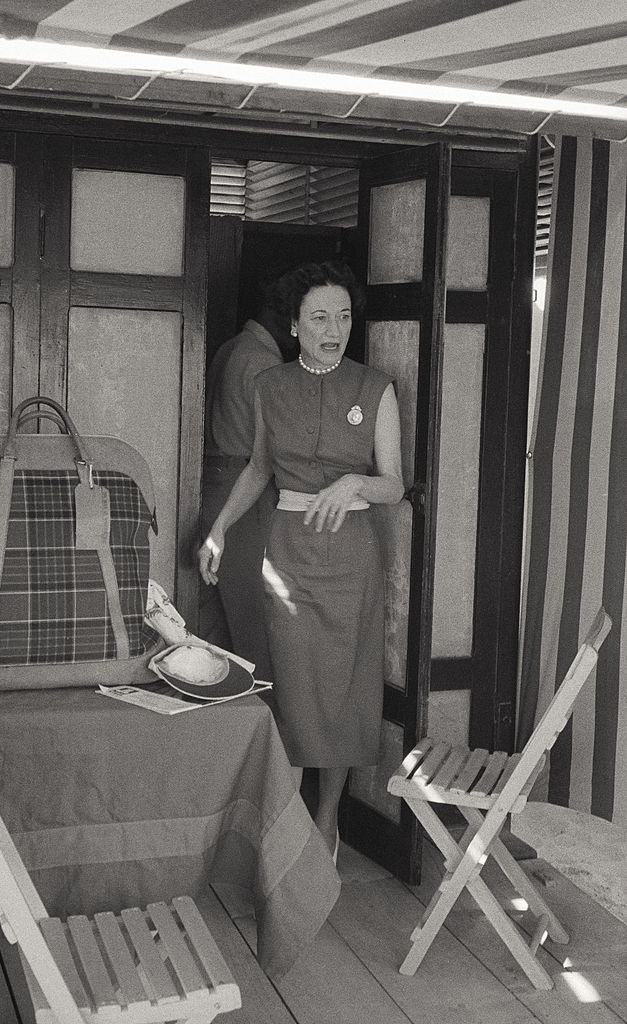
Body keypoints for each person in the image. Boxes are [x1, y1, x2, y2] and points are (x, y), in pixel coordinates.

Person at [198, 260, 404, 860]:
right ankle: (282, 826)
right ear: (295, 324)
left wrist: (355, 486)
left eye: (343, 316)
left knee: (343, 689)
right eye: (319, 317)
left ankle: (327, 818)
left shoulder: (375, 387)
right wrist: (218, 531)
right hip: (286, 553)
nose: (333, 328)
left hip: (351, 557)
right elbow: (259, 469)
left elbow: (395, 483)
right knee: (288, 688)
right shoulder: (270, 387)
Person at [199, 285, 297, 680]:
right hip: (245, 490)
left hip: (213, 481)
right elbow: (272, 451)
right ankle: (264, 719)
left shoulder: (231, 348)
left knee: (220, 621)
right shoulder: (262, 363)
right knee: (256, 619)